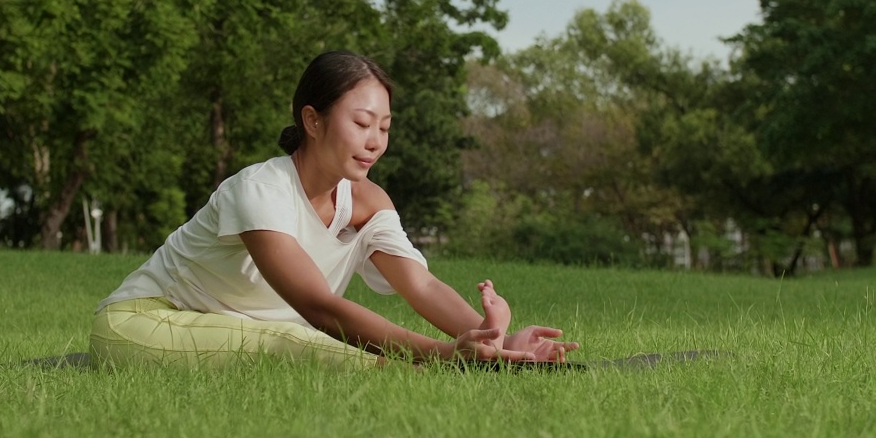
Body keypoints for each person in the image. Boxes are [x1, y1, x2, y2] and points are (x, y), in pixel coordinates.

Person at [90, 51, 579, 368]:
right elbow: (317, 307)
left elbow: (422, 284)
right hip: (145, 320)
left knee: (301, 347)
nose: (375, 142)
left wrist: (492, 337)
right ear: (313, 120)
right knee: (314, 350)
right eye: (362, 122)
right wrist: (445, 355)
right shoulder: (260, 189)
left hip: (251, 333)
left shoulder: (368, 202)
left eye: (384, 128)